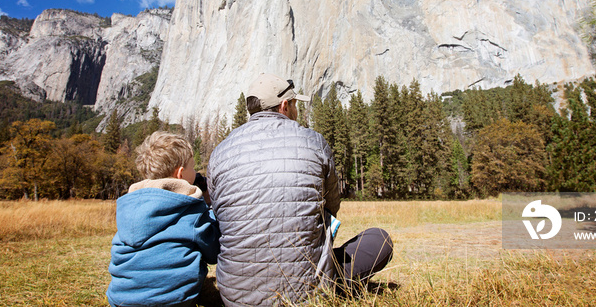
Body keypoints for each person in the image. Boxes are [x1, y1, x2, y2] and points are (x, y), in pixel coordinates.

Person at [208, 73, 393, 306]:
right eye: (295, 104)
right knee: (379, 239)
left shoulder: (220, 152)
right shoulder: (313, 142)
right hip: (308, 294)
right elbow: (332, 207)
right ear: (285, 106)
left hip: (236, 298)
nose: (297, 111)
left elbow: (219, 215)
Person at [107, 131, 220, 307]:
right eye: (193, 165)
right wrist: (211, 211)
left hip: (121, 298)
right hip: (172, 299)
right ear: (180, 173)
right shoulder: (189, 208)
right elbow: (213, 252)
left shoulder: (128, 206)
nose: (195, 171)